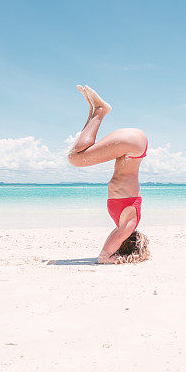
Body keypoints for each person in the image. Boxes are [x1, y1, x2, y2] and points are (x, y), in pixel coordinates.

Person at [68, 85, 151, 264]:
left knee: (79, 154)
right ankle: (100, 110)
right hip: (132, 147)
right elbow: (109, 248)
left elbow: (116, 235)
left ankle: (95, 110)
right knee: (75, 158)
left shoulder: (123, 224)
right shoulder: (129, 226)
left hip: (131, 146)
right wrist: (107, 257)